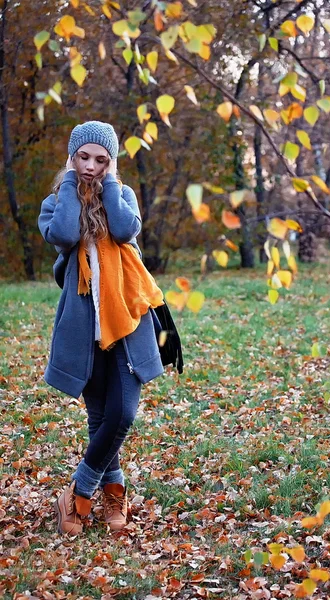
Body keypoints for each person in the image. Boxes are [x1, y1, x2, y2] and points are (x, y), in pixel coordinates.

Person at [38, 121, 165, 535]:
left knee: (123, 412)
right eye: (84, 157)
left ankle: (79, 491)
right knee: (99, 416)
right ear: (71, 158)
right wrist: (74, 185)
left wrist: (109, 184)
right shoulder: (56, 202)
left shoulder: (122, 196)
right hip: (84, 330)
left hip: (126, 323)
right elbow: (64, 234)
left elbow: (127, 230)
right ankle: (115, 496)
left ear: (112, 164)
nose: (91, 166)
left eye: (101, 159)